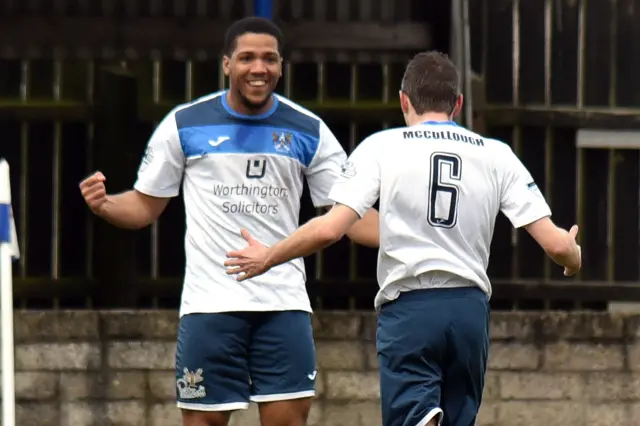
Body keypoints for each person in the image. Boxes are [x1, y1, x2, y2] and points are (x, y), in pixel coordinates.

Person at [224, 51, 582, 426]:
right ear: (457, 103)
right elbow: (556, 245)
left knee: (415, 416)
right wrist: (572, 256)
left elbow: (331, 227)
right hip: (469, 311)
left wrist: (268, 256)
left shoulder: (383, 146)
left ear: (403, 100)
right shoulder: (497, 154)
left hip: (411, 308)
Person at [79, 16, 379, 426]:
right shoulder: (184, 124)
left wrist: (417, 235)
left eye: (269, 59)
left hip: (283, 304)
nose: (259, 68)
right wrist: (105, 205)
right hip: (209, 306)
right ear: (226, 64)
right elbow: (145, 207)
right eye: (247, 58)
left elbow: (346, 216)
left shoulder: (309, 130)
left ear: (281, 66)